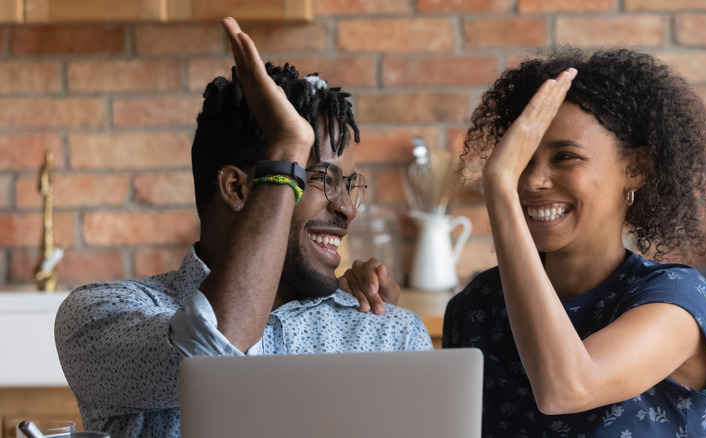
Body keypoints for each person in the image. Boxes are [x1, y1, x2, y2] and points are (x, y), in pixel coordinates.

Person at [55, 17, 432, 438]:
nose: (347, 208)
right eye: (323, 179)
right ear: (238, 188)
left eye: (348, 185)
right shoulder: (103, 316)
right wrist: (287, 148)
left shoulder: (386, 333)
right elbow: (210, 354)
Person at [346, 47, 706, 437]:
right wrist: (385, 321)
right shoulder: (478, 304)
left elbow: (567, 389)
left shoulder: (676, 299)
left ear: (636, 168)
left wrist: (498, 184)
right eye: (522, 160)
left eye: (565, 156)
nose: (532, 181)